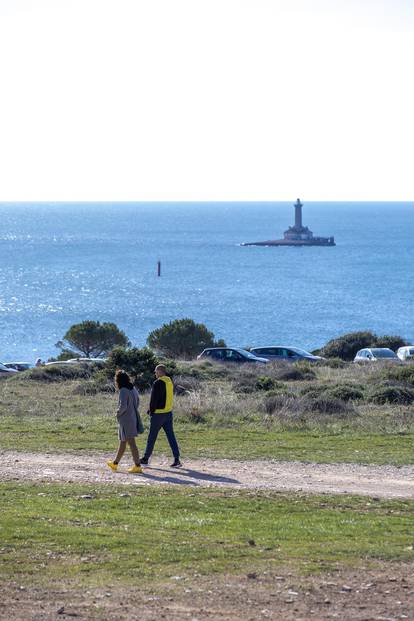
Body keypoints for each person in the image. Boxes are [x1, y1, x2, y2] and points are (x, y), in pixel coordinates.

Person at [140, 364, 182, 468]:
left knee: (152, 437)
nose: (155, 373)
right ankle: (177, 459)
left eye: (155, 371)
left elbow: (154, 399)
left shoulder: (158, 382)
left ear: (159, 371)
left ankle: (145, 458)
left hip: (158, 414)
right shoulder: (169, 381)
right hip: (168, 413)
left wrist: (151, 411)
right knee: (171, 436)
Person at [107, 370, 143, 474]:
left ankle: (137, 466)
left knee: (131, 443)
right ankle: (115, 463)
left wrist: (118, 413)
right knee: (123, 442)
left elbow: (123, 406)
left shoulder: (123, 390)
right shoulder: (133, 388)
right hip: (132, 418)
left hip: (126, 420)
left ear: (119, 380)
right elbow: (137, 401)